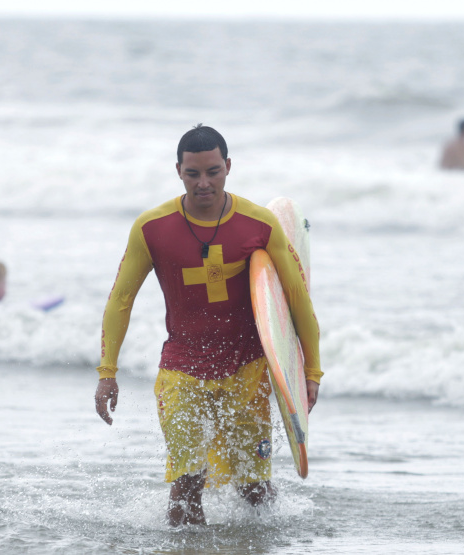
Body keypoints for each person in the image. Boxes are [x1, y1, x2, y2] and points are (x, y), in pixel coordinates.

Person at [93, 125, 322, 526]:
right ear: (178, 171)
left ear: (228, 167)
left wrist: (309, 372)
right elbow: (120, 301)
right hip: (182, 371)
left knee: (254, 488)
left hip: (247, 371)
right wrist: (106, 373)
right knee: (186, 484)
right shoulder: (152, 227)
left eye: (213, 172)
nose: (204, 183)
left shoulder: (259, 224)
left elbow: (297, 298)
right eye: (193, 173)